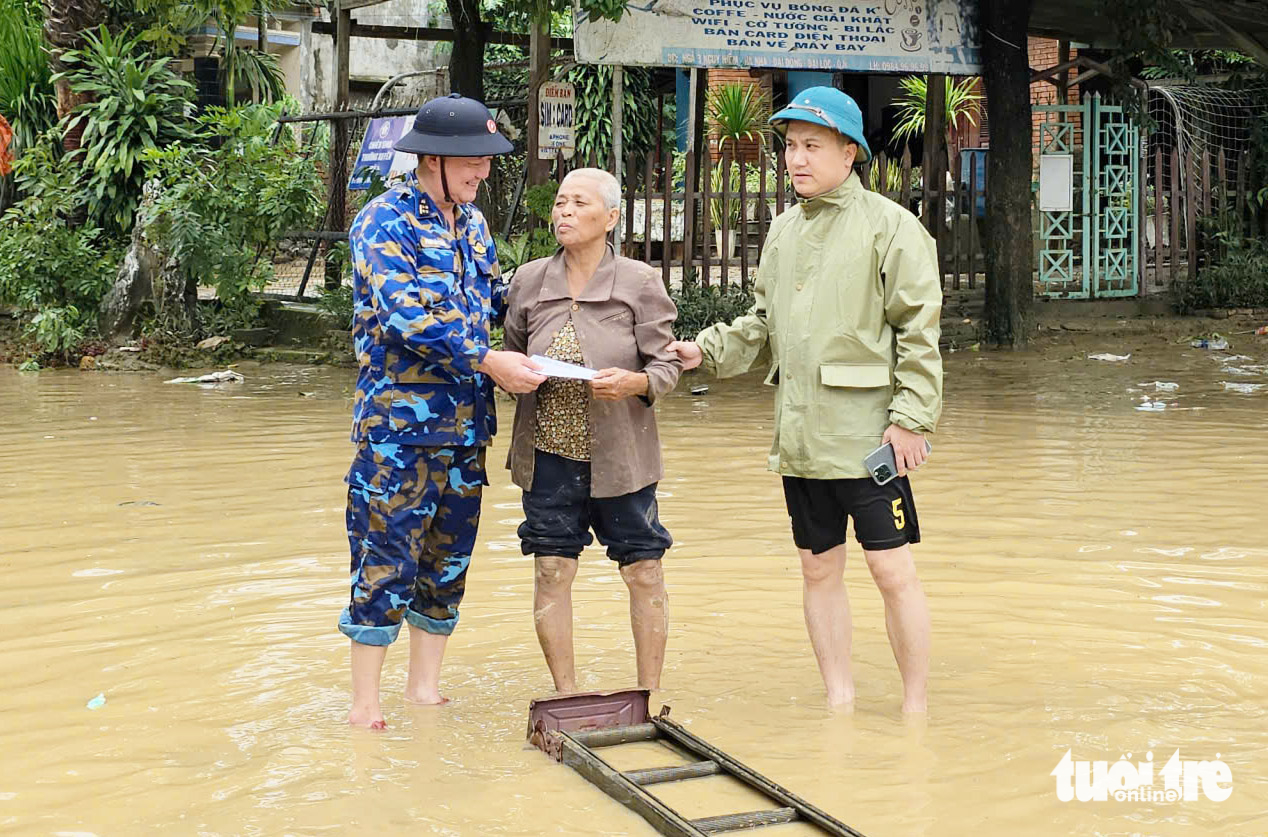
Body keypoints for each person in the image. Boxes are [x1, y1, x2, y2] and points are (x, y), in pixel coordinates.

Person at [668, 87, 943, 712]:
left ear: (851, 153)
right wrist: (705, 351)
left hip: (871, 438)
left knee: (892, 573)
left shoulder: (893, 228)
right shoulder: (784, 230)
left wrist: (910, 420)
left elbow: (919, 334)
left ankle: (915, 706)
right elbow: (763, 325)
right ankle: (840, 701)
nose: (797, 158)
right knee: (818, 570)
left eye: (812, 146)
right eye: (790, 146)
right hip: (801, 437)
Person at [340, 94, 546, 728]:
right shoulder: (384, 222)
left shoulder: (473, 225)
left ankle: (423, 690)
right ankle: (364, 705)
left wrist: (566, 293)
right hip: (398, 432)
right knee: (384, 562)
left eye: (487, 161)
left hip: (464, 431)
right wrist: (489, 361)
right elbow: (405, 320)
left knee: (446, 561)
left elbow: (493, 297)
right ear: (433, 157)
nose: (484, 172)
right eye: (474, 161)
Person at [504, 168, 681, 693]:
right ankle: (567, 695)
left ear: (610, 218)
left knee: (643, 571)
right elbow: (511, 354)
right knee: (552, 570)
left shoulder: (639, 282)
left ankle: (647, 695)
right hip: (548, 455)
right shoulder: (529, 280)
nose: (563, 212)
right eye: (559, 203)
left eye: (578, 203)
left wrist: (633, 383)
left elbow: (666, 366)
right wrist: (517, 376)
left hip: (621, 460)